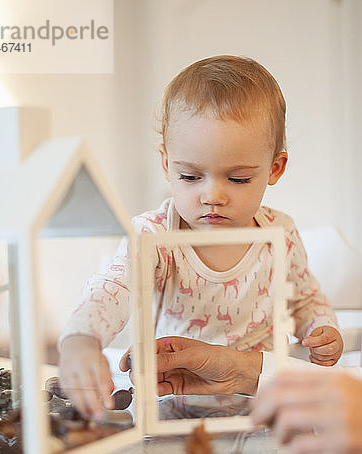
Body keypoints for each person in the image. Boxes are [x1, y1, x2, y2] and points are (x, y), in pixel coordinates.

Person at [59, 55, 342, 418]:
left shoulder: (280, 233)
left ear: (275, 168)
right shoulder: (154, 234)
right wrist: (81, 338)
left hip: (262, 399)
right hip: (170, 400)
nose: (212, 195)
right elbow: (115, 287)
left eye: (237, 179)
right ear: (167, 165)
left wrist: (322, 328)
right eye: (191, 177)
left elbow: (304, 299)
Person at [154, 336, 362, 454]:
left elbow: (309, 300)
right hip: (185, 411)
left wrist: (324, 325)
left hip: (260, 417)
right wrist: (241, 370)